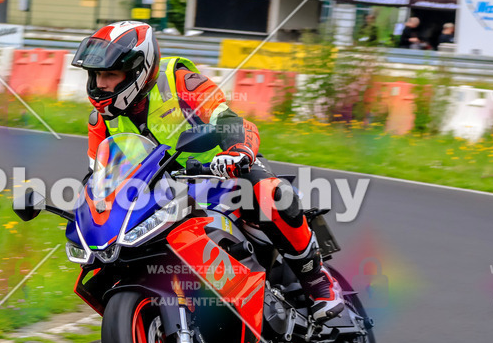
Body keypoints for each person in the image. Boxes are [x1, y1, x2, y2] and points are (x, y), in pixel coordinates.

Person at [71, 21, 345, 322]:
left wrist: (236, 152)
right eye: (96, 75)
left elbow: (227, 119)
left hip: (222, 176)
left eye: (110, 74)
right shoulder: (100, 121)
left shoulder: (179, 81)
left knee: (269, 193)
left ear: (139, 70)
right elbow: (100, 177)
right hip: (164, 197)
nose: (101, 85)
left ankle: (318, 283)